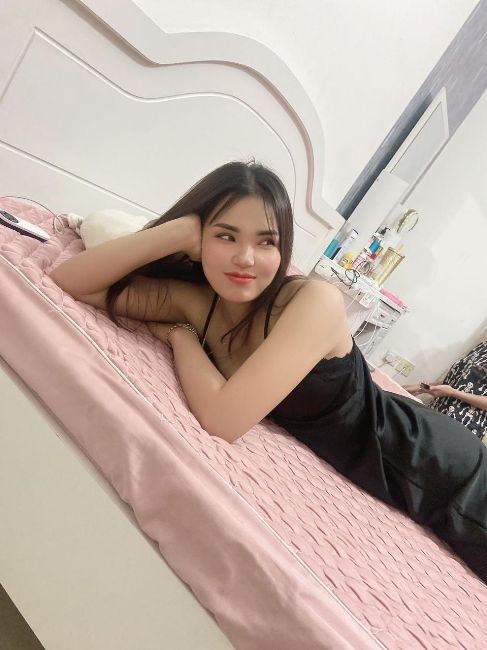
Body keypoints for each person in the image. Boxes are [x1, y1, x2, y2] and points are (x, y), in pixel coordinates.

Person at [48, 160, 487, 583]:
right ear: (199, 240)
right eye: (225, 235)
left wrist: (182, 338)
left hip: (441, 469)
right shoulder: (196, 302)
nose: (245, 258)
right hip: (407, 470)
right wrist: (175, 232)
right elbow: (70, 280)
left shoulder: (313, 302)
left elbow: (223, 419)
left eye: (266, 242)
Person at [404, 341, 487, 442]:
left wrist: (453, 393)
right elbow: (457, 381)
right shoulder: (483, 346)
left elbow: (452, 390)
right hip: (435, 413)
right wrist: (421, 387)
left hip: (461, 427)